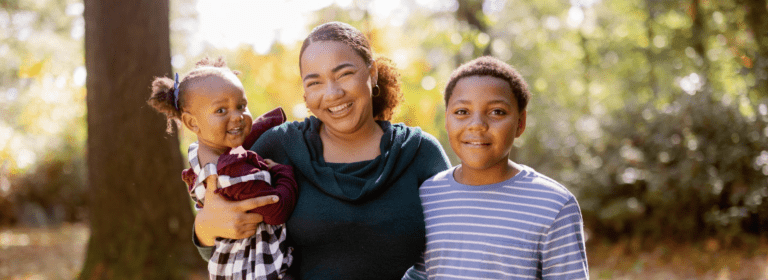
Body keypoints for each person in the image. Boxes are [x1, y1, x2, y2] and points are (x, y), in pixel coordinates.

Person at [192, 22, 452, 279]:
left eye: (344, 74)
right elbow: (227, 244)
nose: (333, 93)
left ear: (371, 73)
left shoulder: (420, 152)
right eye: (315, 82)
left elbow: (461, 244)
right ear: (305, 93)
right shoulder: (279, 147)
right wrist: (203, 228)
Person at [403, 56, 589, 279]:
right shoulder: (427, 197)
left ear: (520, 123)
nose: (477, 125)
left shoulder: (554, 204)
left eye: (497, 112)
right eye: (462, 112)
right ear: (446, 120)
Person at [147, 57, 298, 280]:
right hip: (260, 272)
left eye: (241, 106)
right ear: (192, 123)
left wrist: (268, 123)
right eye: (220, 110)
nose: (237, 116)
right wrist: (284, 173)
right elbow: (277, 210)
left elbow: (241, 140)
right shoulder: (230, 173)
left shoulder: (202, 156)